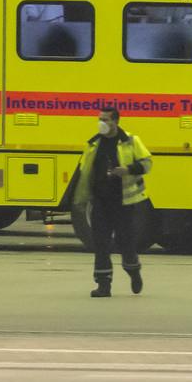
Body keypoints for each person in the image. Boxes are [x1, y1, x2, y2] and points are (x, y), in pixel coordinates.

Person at [74, 106, 151, 298]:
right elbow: (84, 171)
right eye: (100, 119)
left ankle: (133, 271)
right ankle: (103, 285)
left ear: (116, 121)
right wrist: (82, 196)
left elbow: (147, 164)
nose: (102, 123)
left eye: (106, 119)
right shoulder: (93, 144)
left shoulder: (131, 141)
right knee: (100, 244)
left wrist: (128, 169)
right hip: (100, 202)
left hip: (123, 202)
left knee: (126, 243)